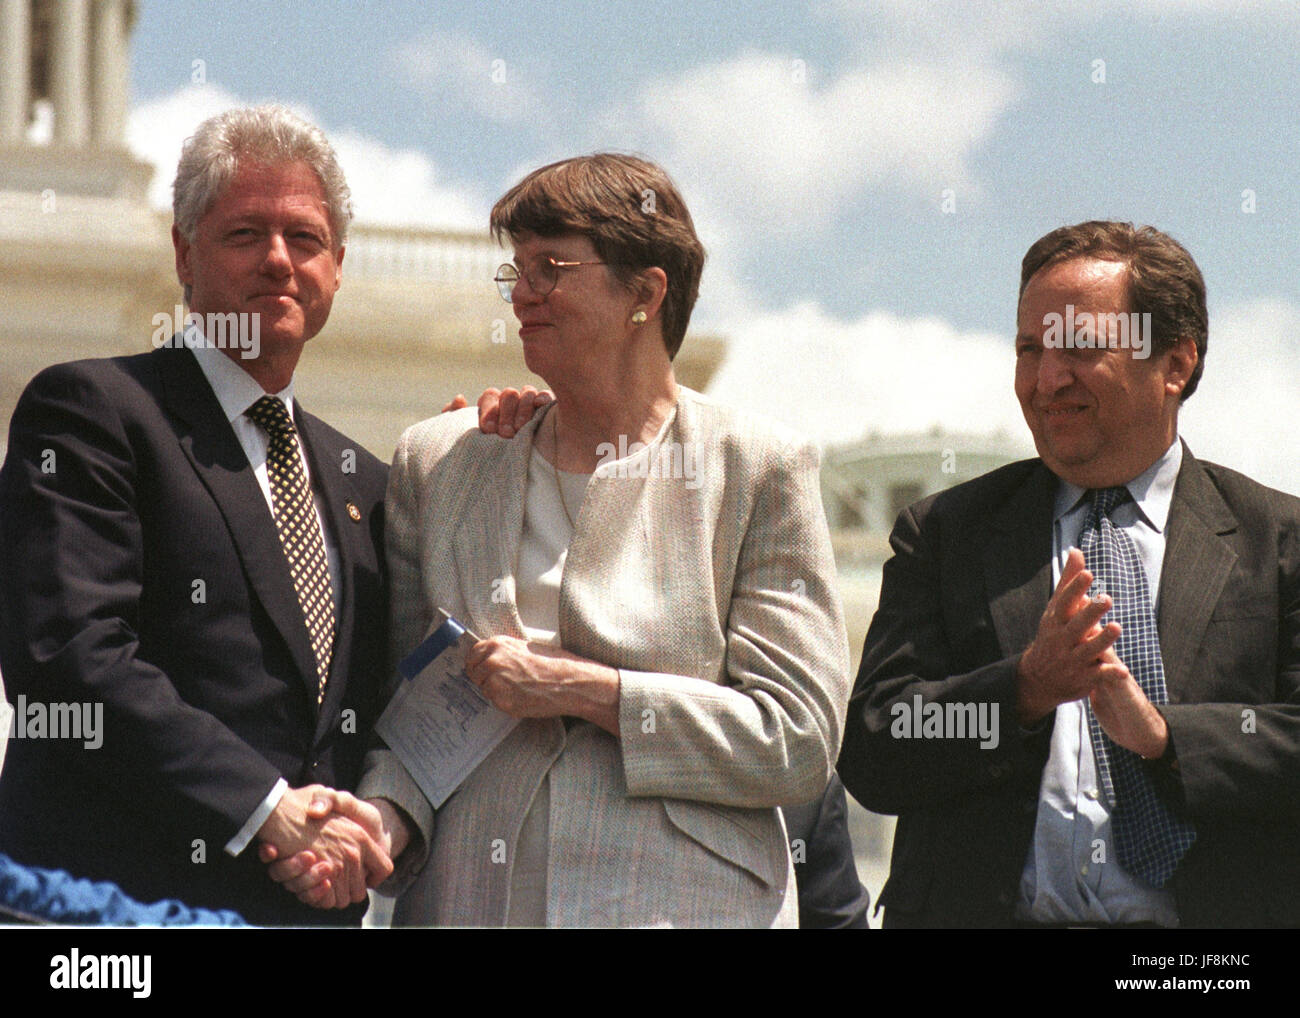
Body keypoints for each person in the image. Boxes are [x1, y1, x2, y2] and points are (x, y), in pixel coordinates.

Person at [277, 153, 851, 926]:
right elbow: (415, 721)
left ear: (645, 293)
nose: (521, 295)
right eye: (515, 271)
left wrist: (587, 692)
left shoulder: (756, 468)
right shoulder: (442, 462)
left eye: (551, 268)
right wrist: (380, 821)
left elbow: (798, 740)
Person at [837, 221, 1300, 928]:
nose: (1047, 379)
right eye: (1030, 349)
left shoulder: (1279, 541)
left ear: (1175, 363)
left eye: (1080, 347)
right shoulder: (944, 536)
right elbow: (875, 746)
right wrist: (1022, 689)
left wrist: (1168, 740)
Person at [0, 105, 396, 926]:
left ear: (339, 267)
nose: (279, 261)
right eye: (246, 234)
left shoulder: (367, 481)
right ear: (185, 252)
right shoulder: (95, 412)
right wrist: (265, 808)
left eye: (306, 239)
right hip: (113, 918)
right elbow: (68, 657)